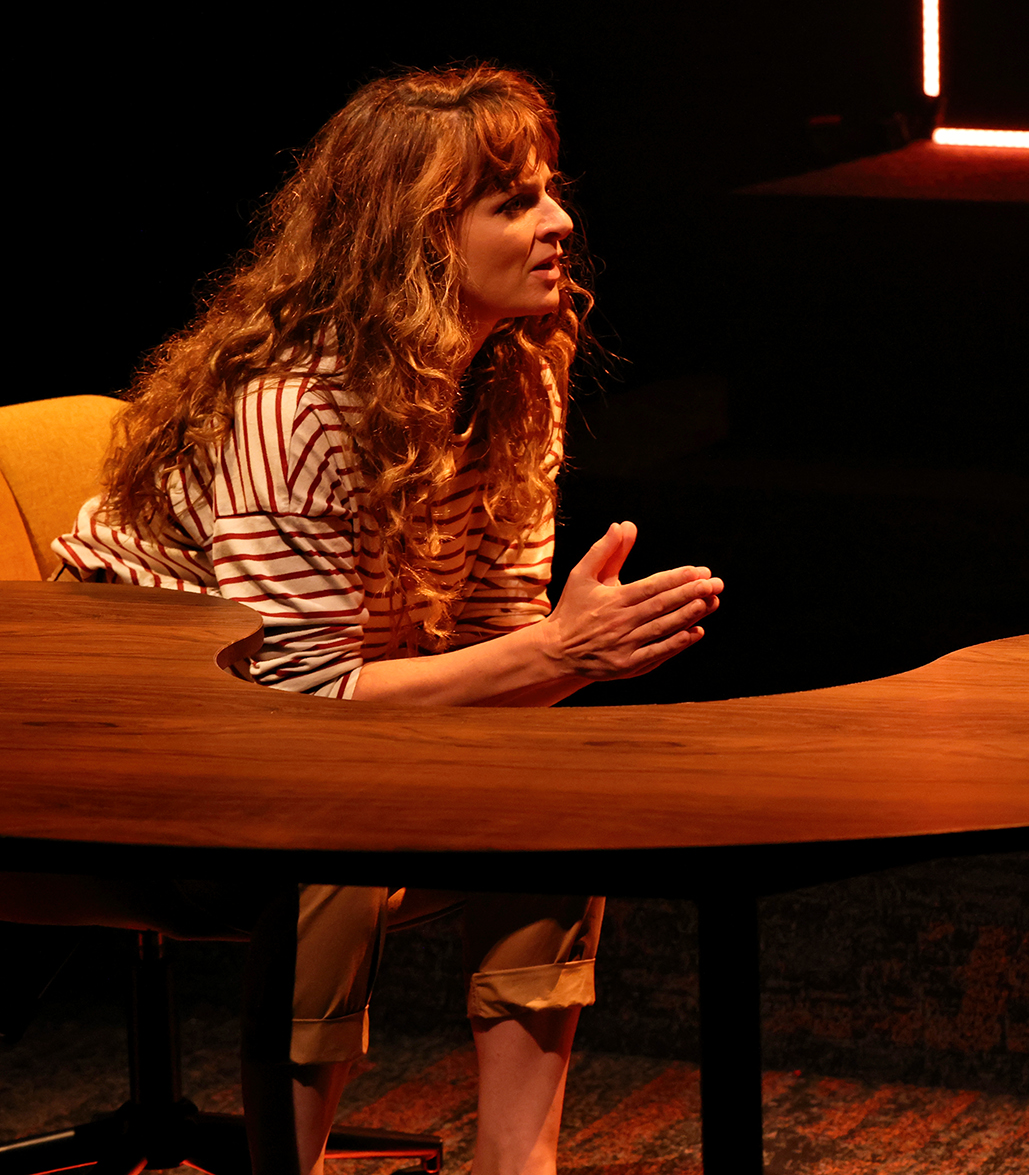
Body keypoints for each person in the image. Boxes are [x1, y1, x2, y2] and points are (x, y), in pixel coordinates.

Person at [3, 65, 722, 1175]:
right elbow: (291, 704)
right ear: (418, 240)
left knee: (559, 783)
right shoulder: (300, 406)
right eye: (514, 201)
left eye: (547, 190)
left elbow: (490, 647)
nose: (559, 220)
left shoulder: (512, 382)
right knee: (331, 831)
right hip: (132, 748)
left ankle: (513, 1162)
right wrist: (556, 649)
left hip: (320, 729)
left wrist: (566, 659)